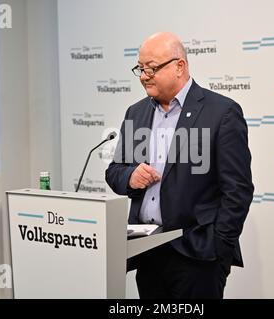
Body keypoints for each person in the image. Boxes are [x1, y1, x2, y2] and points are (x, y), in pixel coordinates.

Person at [105, 32, 254, 299]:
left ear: (179, 66)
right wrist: (130, 176)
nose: (144, 75)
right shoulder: (136, 113)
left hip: (197, 256)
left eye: (152, 68)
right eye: (140, 68)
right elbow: (114, 172)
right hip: (147, 252)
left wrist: (218, 248)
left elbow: (238, 190)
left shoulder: (222, 112)